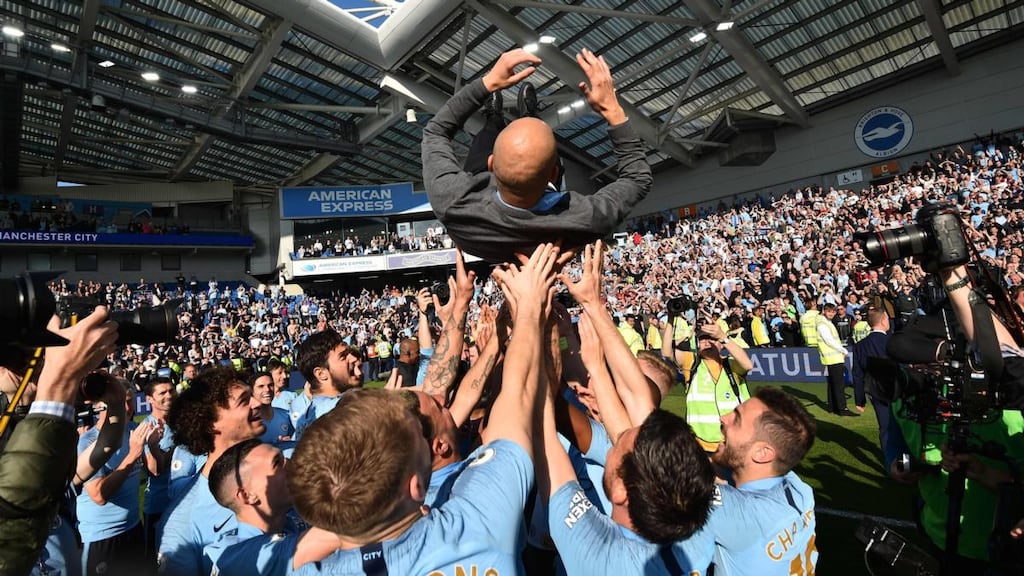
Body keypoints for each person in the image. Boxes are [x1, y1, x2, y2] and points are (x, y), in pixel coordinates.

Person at [214, 243, 564, 574]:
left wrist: (342, 525)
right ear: (416, 489)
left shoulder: (301, 564)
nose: (353, 358)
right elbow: (517, 396)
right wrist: (530, 306)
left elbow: (235, 561)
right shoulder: (473, 517)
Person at [421, 47, 651, 263]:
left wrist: (487, 83)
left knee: (485, 140)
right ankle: (530, 116)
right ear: (555, 174)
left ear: (491, 165)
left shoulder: (453, 203)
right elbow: (637, 179)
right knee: (537, 143)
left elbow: (435, 131)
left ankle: (494, 118)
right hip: (534, 202)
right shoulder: (584, 219)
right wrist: (614, 110)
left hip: (483, 211)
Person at [0, 308, 118, 576]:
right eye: (16, 359)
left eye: (35, 357)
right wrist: (60, 381)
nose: (27, 367)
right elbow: (15, 502)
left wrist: (117, 407)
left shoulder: (51, 429)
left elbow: (94, 458)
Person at [157, 366, 266, 576]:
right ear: (211, 424)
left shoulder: (285, 467)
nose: (258, 403)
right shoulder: (182, 523)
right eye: (245, 401)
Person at [705, 388, 819, 575]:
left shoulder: (741, 515)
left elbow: (657, 471)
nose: (724, 418)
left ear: (762, 453)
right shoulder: (798, 487)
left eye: (737, 419)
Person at [76, 382, 155, 575]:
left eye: (130, 401)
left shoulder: (134, 430)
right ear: (101, 406)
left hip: (134, 526)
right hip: (102, 535)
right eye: (120, 403)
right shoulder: (88, 441)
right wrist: (132, 455)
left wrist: (153, 446)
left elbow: (154, 470)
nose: (128, 408)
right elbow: (99, 495)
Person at [204, 439, 301, 571]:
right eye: (277, 463)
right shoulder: (235, 559)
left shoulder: (295, 520)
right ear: (247, 495)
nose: (289, 463)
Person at [662, 314, 753, 452]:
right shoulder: (691, 363)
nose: (707, 342)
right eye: (702, 339)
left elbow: (748, 365)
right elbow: (667, 353)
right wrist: (670, 319)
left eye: (712, 339)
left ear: (721, 344)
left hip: (733, 442)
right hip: (699, 444)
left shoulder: (730, 365)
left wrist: (723, 337)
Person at [292, 329, 362, 440]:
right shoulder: (341, 410)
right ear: (321, 374)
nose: (353, 359)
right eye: (343, 357)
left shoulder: (307, 416)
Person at [141, 376, 176, 565]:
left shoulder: (182, 421)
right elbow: (154, 470)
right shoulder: (147, 427)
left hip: (184, 502)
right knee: (157, 563)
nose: (169, 395)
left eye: (171, 391)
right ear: (149, 399)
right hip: (159, 505)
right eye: (162, 393)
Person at [817, 303, 854, 416]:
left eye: (833, 311)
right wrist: (842, 350)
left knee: (833, 383)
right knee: (838, 384)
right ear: (824, 311)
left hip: (832, 357)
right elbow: (829, 340)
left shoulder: (826, 323)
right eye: (829, 311)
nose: (832, 313)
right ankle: (842, 409)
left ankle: (832, 407)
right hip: (833, 357)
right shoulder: (822, 324)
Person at [251, 371, 293, 448]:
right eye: (261, 386)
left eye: (270, 385)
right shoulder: (248, 422)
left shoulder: (286, 415)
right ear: (252, 391)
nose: (267, 389)